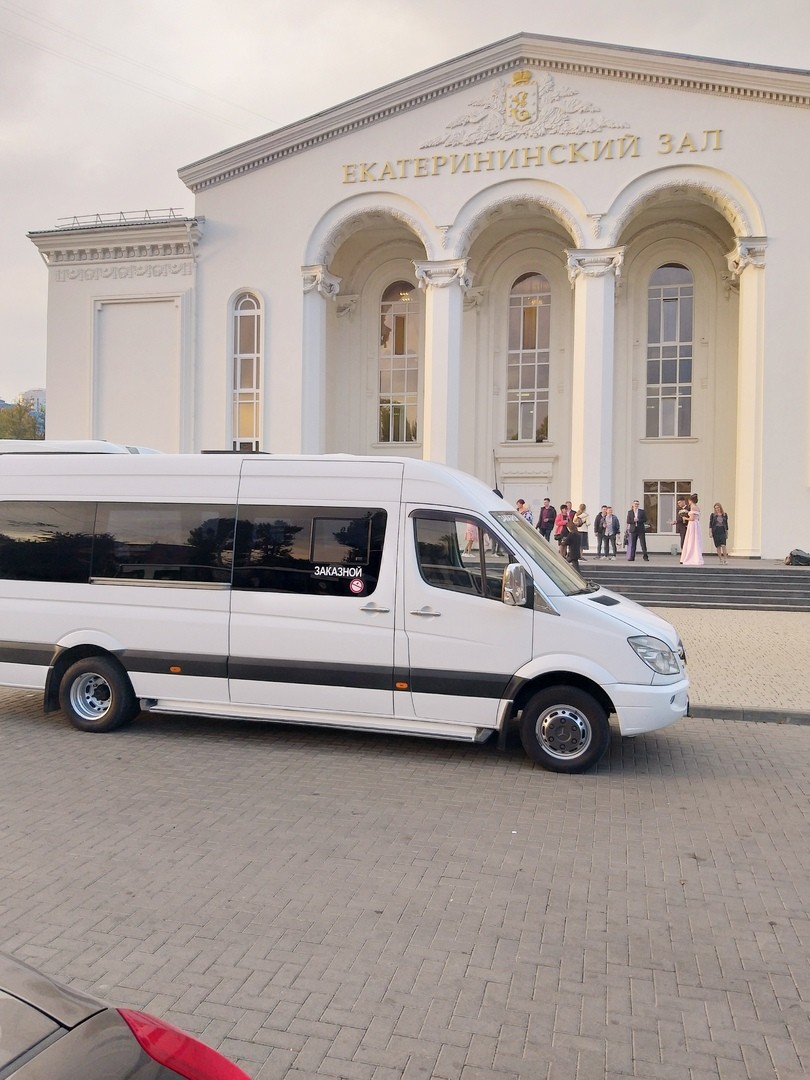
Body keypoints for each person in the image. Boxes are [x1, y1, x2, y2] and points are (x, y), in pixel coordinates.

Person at [680, 493, 704, 566]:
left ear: (691, 500)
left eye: (689, 501)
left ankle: (691, 556)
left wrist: (685, 518)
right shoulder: (697, 507)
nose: (688, 502)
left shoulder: (692, 507)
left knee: (691, 540)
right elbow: (697, 518)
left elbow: (692, 518)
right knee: (695, 540)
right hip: (696, 524)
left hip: (692, 524)